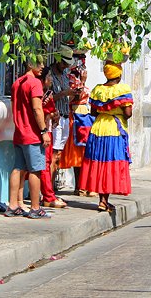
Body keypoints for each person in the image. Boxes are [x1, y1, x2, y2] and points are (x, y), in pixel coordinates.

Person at [79, 61, 133, 212]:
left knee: (99, 161)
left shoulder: (98, 90)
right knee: (110, 163)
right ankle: (104, 201)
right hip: (114, 129)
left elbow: (93, 113)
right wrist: (116, 113)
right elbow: (128, 113)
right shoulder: (122, 89)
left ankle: (102, 200)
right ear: (119, 74)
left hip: (98, 127)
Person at [5, 56, 51, 219]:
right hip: (32, 133)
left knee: (18, 168)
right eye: (39, 63)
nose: (42, 66)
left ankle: (12, 205)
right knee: (35, 170)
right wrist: (43, 130)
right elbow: (37, 109)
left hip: (19, 132)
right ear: (30, 64)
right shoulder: (35, 83)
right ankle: (35, 208)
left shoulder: (17, 83)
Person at [60, 63, 94, 196]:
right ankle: (80, 186)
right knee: (78, 154)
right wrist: (83, 82)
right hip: (76, 118)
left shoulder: (76, 79)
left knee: (85, 154)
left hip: (85, 118)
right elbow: (76, 97)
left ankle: (85, 185)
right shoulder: (70, 79)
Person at [38, 67, 68, 208]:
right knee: (45, 164)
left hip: (49, 129)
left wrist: (54, 115)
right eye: (48, 76)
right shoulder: (40, 95)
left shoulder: (47, 94)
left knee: (48, 161)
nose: (51, 79)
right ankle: (48, 196)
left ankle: (48, 194)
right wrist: (50, 115)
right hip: (43, 131)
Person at [50, 45, 77, 190]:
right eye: (64, 62)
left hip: (66, 116)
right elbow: (46, 98)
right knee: (53, 154)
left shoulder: (65, 74)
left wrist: (72, 94)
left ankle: (51, 188)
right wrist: (63, 93)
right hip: (56, 118)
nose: (66, 65)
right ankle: (48, 189)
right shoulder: (49, 75)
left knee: (59, 154)